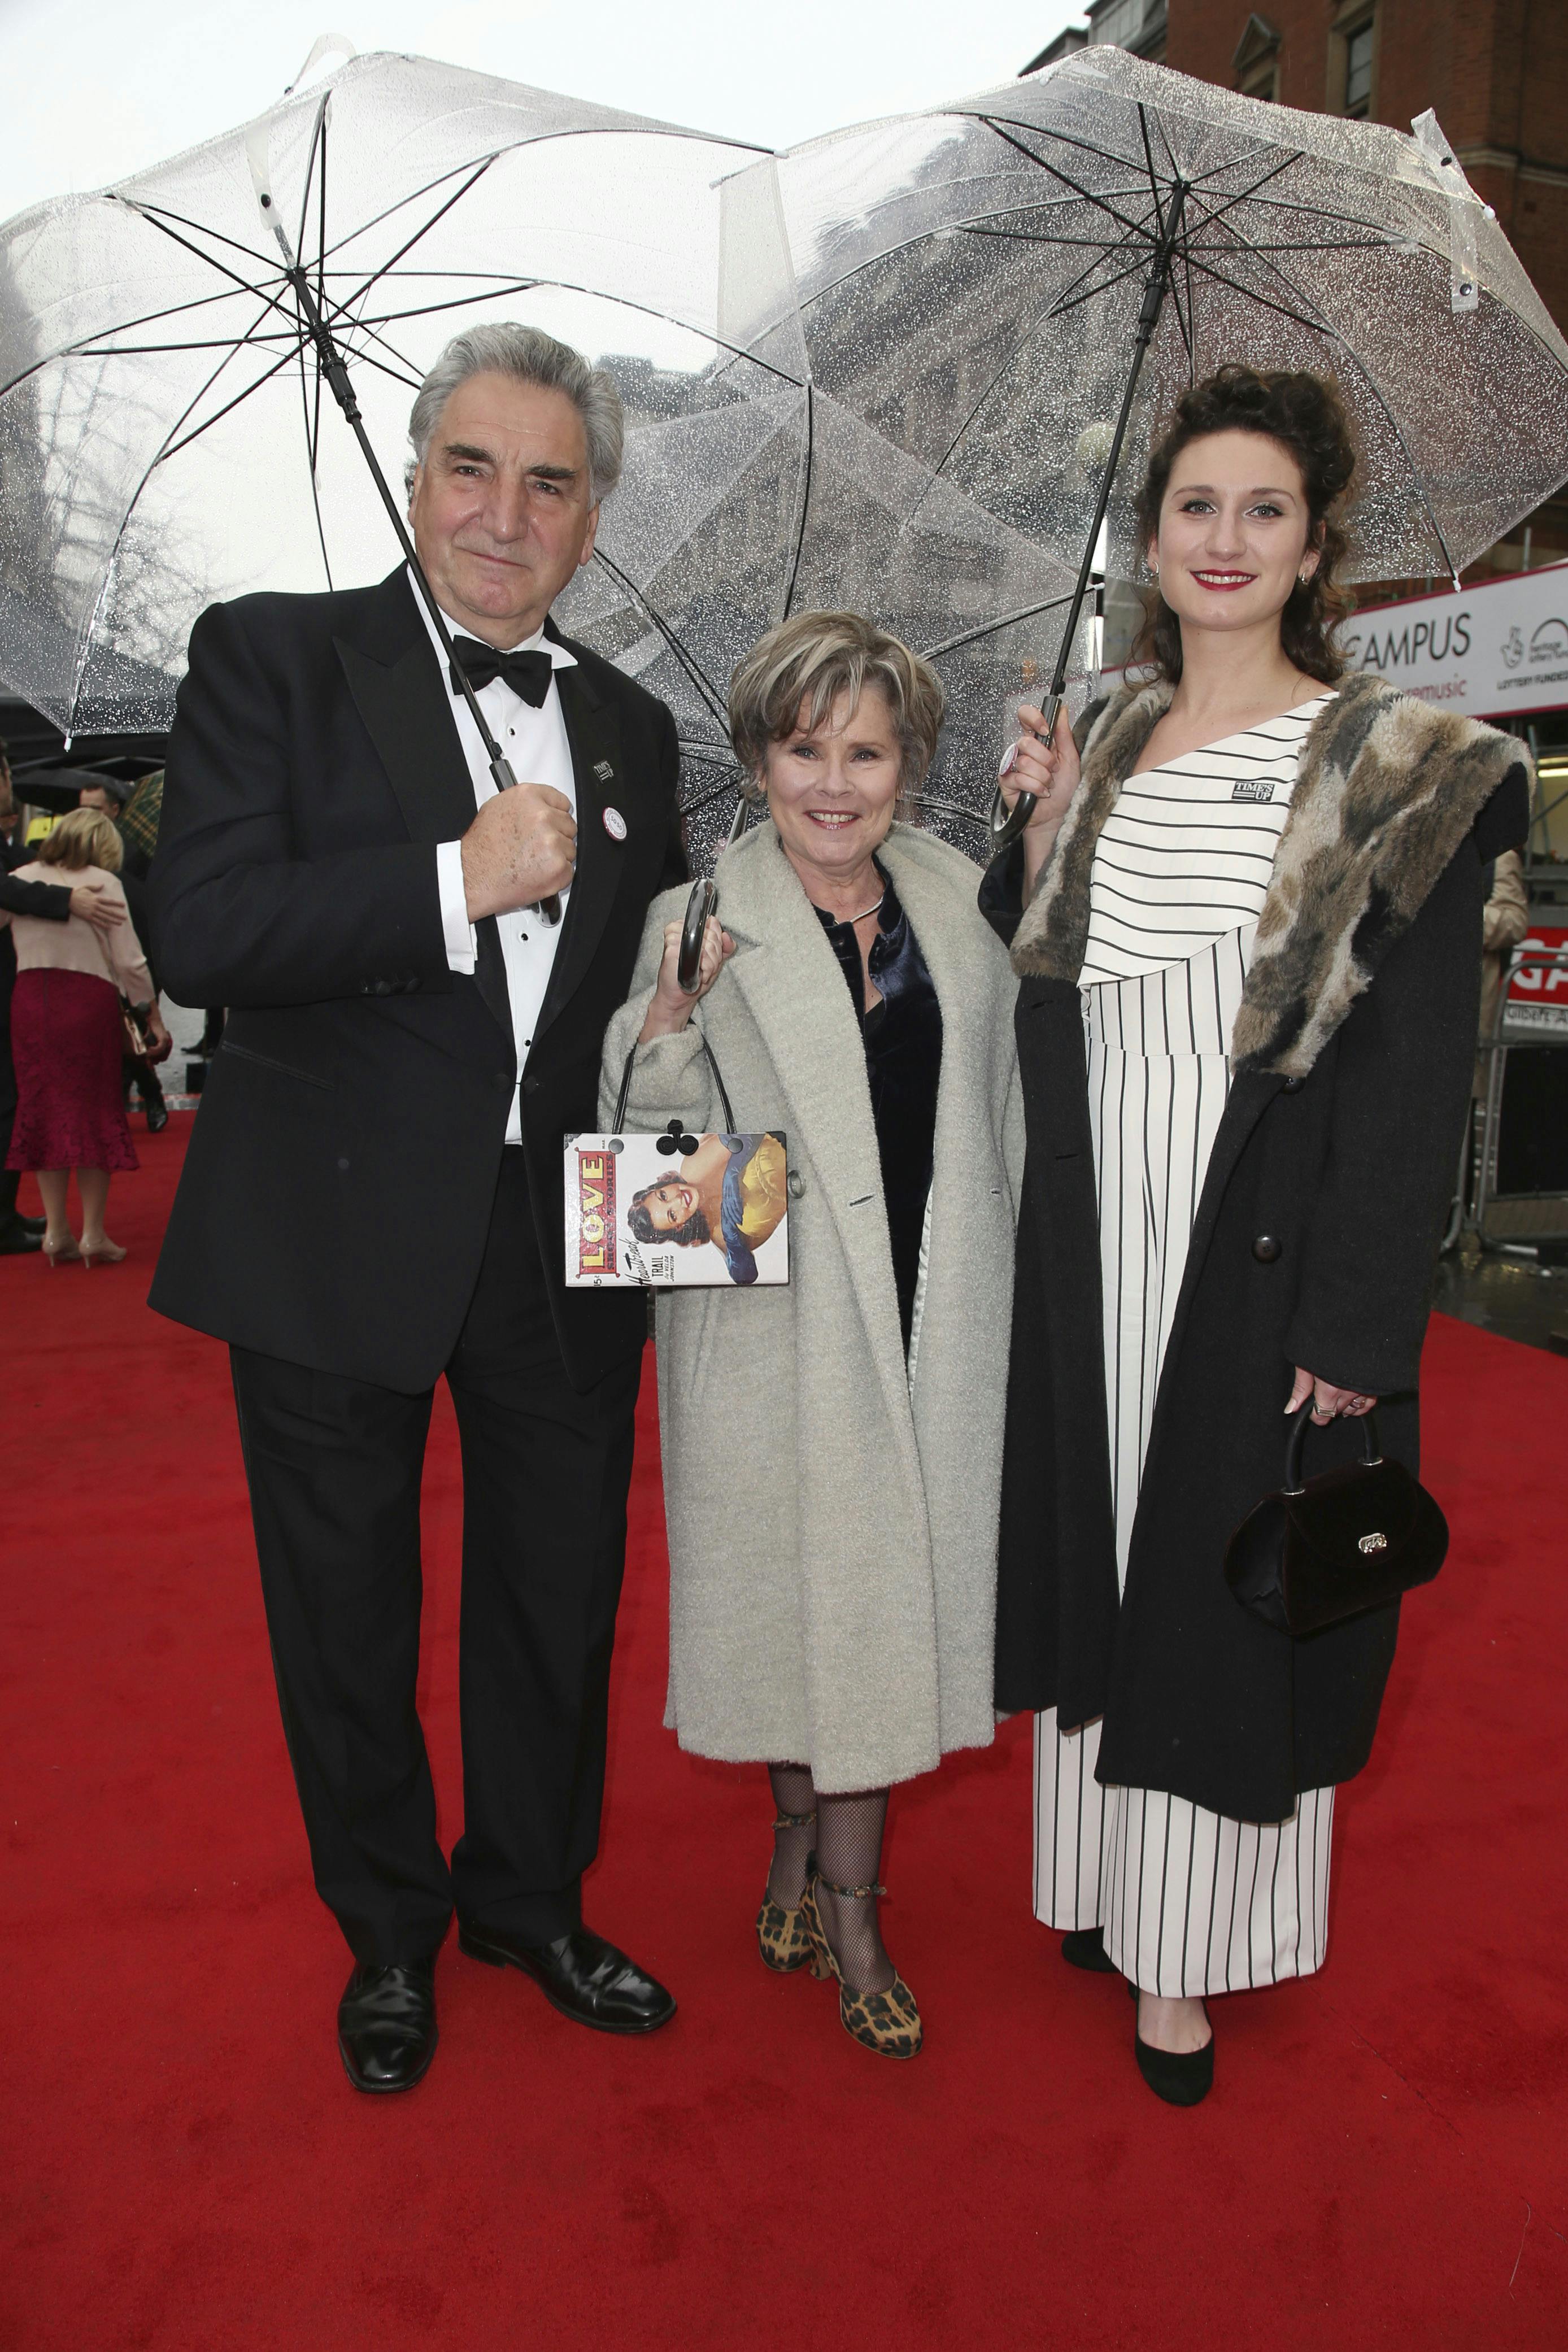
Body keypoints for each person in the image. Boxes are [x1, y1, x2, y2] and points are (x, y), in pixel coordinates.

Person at [149, 323, 688, 2096]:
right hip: (332, 1222)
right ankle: (386, 1932)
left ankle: (526, 1898)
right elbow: (207, 932)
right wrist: (448, 880)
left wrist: (676, 1027)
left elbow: (629, 1002)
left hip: (564, 1239)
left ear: (590, 519)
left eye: (548, 481)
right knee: (346, 1610)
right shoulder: (269, 656)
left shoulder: (627, 725)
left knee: (558, 1593)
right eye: (474, 465)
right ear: (414, 474)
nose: (503, 511)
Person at [984, 365, 1531, 2107]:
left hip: (1263, 1236)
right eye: (1195, 507)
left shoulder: (1393, 762)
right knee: (1107, 1554)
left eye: (1263, 510)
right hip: (1094, 1239)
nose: (1224, 540)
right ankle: (1099, 1884)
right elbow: (1039, 969)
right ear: (1148, 539)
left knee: (1225, 1590)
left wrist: (1363, 1331)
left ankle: (1189, 1955)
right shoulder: (1106, 736)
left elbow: (1413, 1063)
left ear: (1312, 545)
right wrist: (1032, 829)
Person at [602, 611, 1022, 2059]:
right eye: (805, 748)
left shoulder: (964, 897)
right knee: (806, 1606)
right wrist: (663, 1028)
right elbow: (654, 1196)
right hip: (777, 1334)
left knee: (873, 1610)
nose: (835, 782)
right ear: (756, 757)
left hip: (933, 1311)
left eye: (867, 748)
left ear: (908, 762)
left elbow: (1015, 1115)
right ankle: (823, 1875)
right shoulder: (695, 914)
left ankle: (835, 1890)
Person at [3, 806, 168, 1265]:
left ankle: (56, 1231)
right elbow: (131, 962)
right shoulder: (103, 883)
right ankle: (93, 1233)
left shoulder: (21, 876)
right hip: (87, 1004)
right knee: (94, 1111)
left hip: (31, 1001)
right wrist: (152, 1018)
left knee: (43, 1111)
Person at [77, 774, 167, 1130]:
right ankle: (136, 1096)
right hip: (90, 963)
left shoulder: (134, 852)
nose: (88, 816)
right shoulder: (67, 854)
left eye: (95, 809)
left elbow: (148, 909)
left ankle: (147, 1093)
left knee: (132, 1037)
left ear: (114, 810)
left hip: (135, 951)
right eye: (82, 808)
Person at [625, 1130, 788, 1282]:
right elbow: (746, 1276)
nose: (678, 1200)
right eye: (673, 1215)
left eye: (663, 1195)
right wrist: (732, 1239)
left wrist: (733, 1172)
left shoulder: (694, 1168)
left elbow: (750, 1134)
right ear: (679, 1227)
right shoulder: (720, 1233)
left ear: (663, 1186)